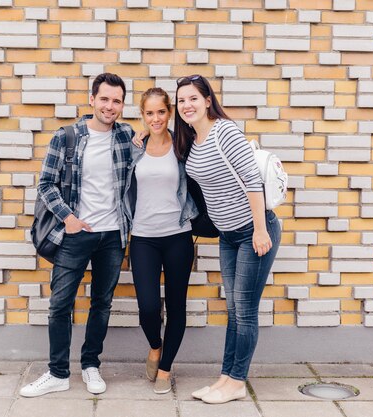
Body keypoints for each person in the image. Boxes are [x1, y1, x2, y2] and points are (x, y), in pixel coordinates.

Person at [20, 73, 134, 398]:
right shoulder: (67, 136)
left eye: (116, 101)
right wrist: (68, 218)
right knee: (60, 304)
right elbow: (46, 184)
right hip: (76, 233)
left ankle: (90, 365)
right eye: (105, 99)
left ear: (122, 105)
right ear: (93, 100)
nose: (110, 106)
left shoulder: (126, 136)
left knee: (102, 303)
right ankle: (57, 373)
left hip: (113, 235)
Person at [175, 75, 281, 404]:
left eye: (192, 98)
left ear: (208, 100)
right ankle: (225, 377)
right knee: (234, 310)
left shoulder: (224, 131)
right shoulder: (193, 139)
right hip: (228, 235)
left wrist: (261, 230)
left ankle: (237, 382)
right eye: (181, 101)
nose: (186, 106)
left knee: (245, 311)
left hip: (253, 232)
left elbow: (252, 180)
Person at [123, 88, 198, 394]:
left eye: (161, 112)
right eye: (149, 113)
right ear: (143, 115)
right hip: (143, 237)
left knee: (177, 306)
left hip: (178, 236)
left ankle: (165, 368)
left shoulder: (184, 146)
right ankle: (155, 346)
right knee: (148, 307)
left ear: (170, 113)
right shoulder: (134, 148)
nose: (156, 118)